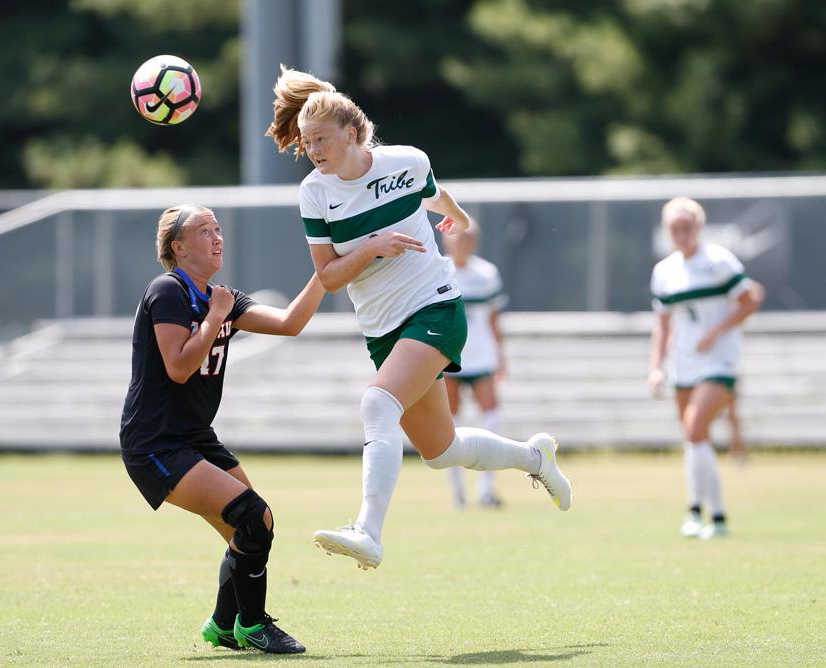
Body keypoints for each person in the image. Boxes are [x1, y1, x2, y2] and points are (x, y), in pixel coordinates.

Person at [266, 66, 572, 571]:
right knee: (441, 450)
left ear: (352, 132)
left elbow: (435, 195)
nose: (314, 151)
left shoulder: (407, 161)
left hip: (435, 307)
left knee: (377, 406)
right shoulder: (314, 192)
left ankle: (368, 530)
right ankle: (534, 458)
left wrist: (461, 216)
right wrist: (372, 246)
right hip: (382, 329)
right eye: (307, 142)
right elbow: (331, 277)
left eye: (321, 139)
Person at [119, 204, 325, 653]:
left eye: (218, 229)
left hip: (194, 437)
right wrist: (216, 317)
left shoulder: (222, 297)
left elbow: (290, 322)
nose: (217, 237)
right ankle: (252, 626)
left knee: (252, 529)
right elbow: (177, 367)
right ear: (178, 247)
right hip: (156, 442)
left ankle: (223, 625)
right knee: (253, 517)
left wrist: (328, 272)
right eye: (204, 231)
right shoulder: (168, 290)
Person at [648, 197, 764, 539]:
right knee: (694, 437)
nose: (681, 234)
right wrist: (656, 366)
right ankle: (708, 515)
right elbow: (663, 324)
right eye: (675, 229)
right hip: (683, 361)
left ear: (698, 227)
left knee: (696, 426)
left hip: (719, 359)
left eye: (687, 227)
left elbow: (750, 300)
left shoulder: (718, 260)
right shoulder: (664, 271)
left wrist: (716, 332)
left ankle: (706, 514)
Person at [441, 225, 510, 509]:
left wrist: (501, 355)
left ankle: (486, 489)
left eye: (468, 236)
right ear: (447, 240)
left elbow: (493, 318)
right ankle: (457, 491)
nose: (463, 241)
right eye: (458, 236)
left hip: (481, 357)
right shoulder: (438, 269)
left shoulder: (487, 273)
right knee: (449, 426)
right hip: (449, 358)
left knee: (491, 419)